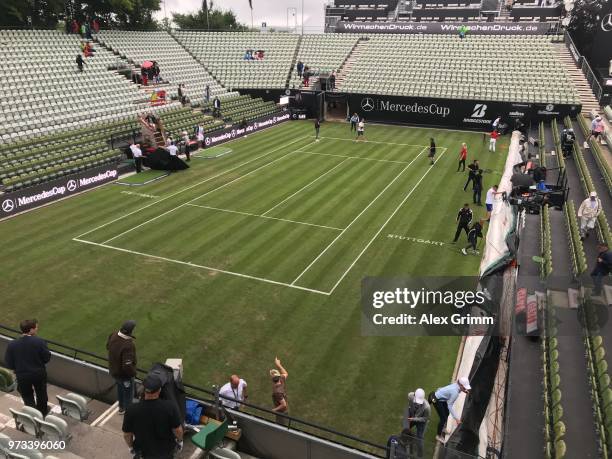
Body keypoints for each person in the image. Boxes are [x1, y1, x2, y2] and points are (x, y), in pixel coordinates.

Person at [122, 374, 183, 459]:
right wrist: (180, 441)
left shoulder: (131, 410)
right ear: (159, 390)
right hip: (165, 454)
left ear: (144, 389)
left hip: (143, 454)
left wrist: (131, 447)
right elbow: (177, 430)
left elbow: (127, 434)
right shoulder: (170, 407)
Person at [4, 319, 51, 416]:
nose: (37, 329)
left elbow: (9, 363)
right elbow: (46, 358)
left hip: (22, 375)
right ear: (31, 330)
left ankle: (33, 414)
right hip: (38, 373)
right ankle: (42, 413)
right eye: (35, 328)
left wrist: (17, 369)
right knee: (41, 393)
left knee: (27, 395)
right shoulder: (39, 342)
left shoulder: (12, 344)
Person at [107, 321, 137, 414]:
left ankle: (121, 408)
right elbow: (127, 365)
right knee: (128, 395)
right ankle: (129, 413)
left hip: (114, 371)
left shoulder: (113, 334)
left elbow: (108, 346)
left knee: (120, 389)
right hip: (124, 375)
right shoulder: (128, 345)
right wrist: (133, 373)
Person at [429, 377, 471, 442]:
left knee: (447, 413)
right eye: (464, 387)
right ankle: (438, 436)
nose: (465, 389)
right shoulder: (455, 393)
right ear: (461, 385)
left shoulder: (456, 385)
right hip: (437, 400)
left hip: (441, 398)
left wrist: (464, 391)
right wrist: (457, 419)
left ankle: (442, 428)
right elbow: (449, 405)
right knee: (443, 419)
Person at [403, 388, 430, 457]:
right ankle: (403, 445)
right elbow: (408, 405)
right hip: (412, 417)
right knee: (405, 430)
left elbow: (425, 419)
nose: (417, 404)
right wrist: (408, 414)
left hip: (421, 422)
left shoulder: (427, 407)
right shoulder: (410, 396)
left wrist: (414, 419)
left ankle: (420, 455)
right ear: (414, 395)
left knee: (420, 439)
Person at [270, 357, 289, 425]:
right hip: (284, 411)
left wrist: (274, 410)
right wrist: (278, 365)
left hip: (281, 412)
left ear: (272, 379)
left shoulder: (277, 392)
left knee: (280, 426)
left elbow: (283, 405)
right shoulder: (281, 379)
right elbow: (286, 373)